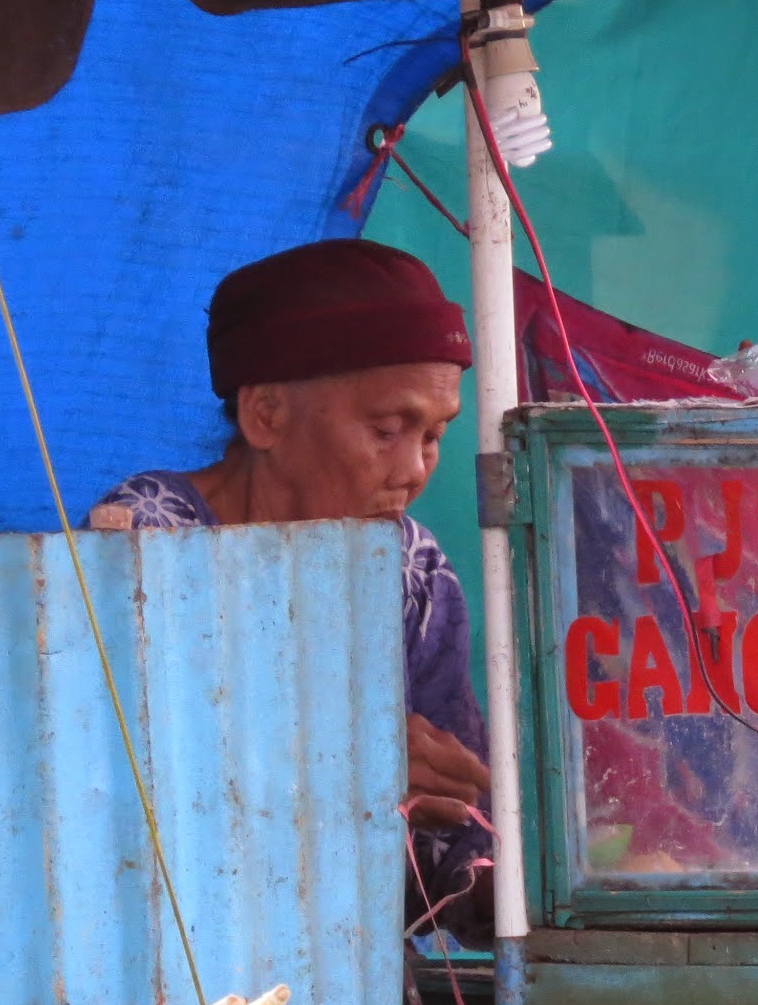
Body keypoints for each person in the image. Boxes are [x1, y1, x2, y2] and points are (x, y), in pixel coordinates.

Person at [88, 240, 494, 933]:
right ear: (266, 415)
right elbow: (121, 791)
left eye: (433, 435)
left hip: (334, 980)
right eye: (387, 428)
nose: (415, 468)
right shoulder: (149, 540)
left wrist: (504, 860)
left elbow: (451, 847)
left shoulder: (411, 570)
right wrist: (348, 768)